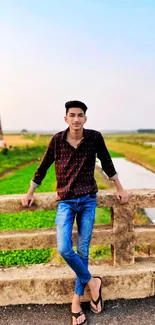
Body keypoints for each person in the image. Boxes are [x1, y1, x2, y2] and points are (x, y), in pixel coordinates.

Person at [22, 100, 129, 325]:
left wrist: (120, 188)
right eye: (72, 115)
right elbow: (43, 166)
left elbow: (107, 163)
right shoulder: (57, 141)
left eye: (80, 115)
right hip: (66, 202)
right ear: (66, 118)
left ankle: (76, 301)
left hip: (88, 200)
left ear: (85, 119)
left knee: (82, 250)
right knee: (63, 248)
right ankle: (93, 283)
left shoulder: (94, 138)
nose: (76, 119)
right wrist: (30, 191)